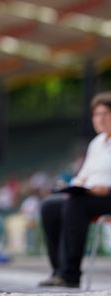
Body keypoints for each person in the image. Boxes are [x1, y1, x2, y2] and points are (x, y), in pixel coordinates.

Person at [39, 92, 111, 288]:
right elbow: (83, 174)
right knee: (49, 206)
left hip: (107, 196)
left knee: (75, 204)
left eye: (105, 113)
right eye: (96, 114)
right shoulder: (96, 144)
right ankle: (58, 271)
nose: (100, 119)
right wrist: (74, 185)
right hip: (88, 195)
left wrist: (107, 188)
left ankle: (71, 274)